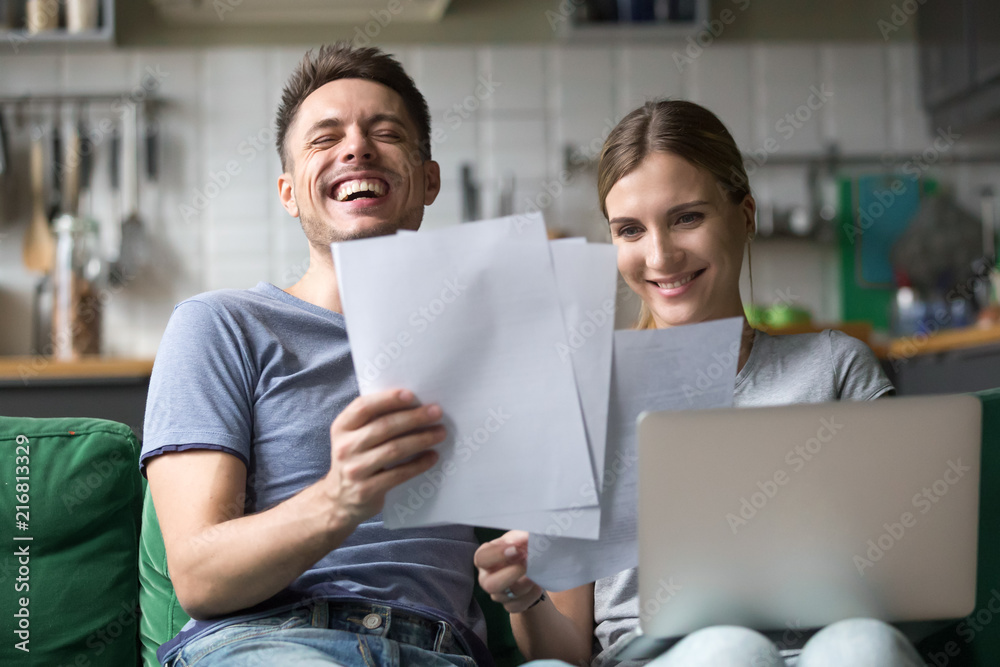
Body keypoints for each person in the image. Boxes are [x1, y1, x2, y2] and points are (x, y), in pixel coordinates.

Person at [473, 100, 926, 667]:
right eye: (630, 230)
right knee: (727, 650)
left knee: (868, 645)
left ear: (746, 214)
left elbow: (910, 574)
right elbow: (569, 648)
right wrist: (523, 594)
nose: (660, 255)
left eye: (687, 217)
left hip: (822, 648)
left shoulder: (835, 368)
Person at [141, 43, 492, 667]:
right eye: (324, 138)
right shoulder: (220, 327)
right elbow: (199, 575)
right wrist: (341, 498)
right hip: (273, 642)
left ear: (429, 180)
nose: (356, 148)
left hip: (444, 654)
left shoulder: (486, 340)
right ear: (288, 191)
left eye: (385, 133)